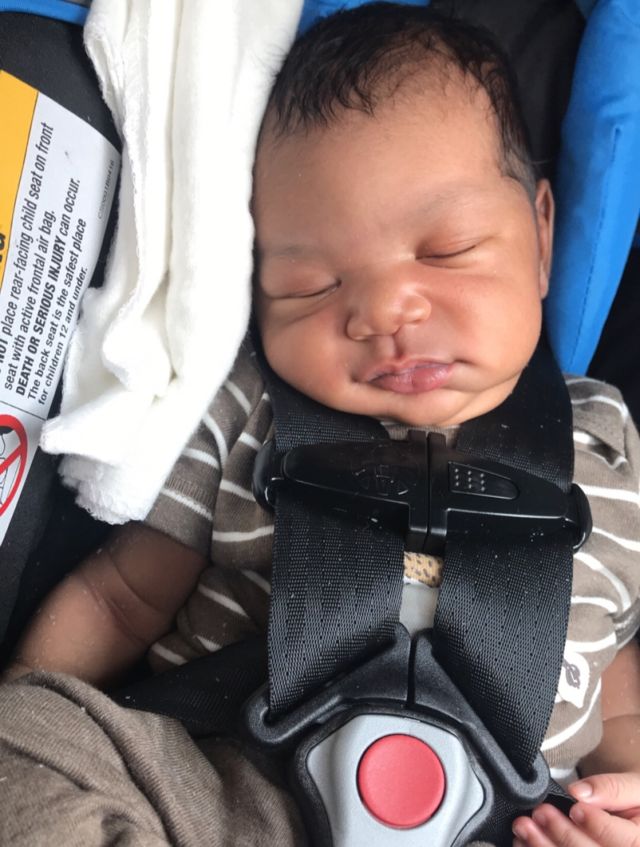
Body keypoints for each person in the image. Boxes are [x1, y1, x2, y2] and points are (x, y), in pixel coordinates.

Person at [2, 5, 640, 846]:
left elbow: (615, 684)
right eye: (310, 286)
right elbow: (120, 600)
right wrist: (26, 699)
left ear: (542, 235)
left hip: (512, 819)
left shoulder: (605, 443)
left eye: (445, 250)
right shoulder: (245, 413)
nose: (383, 312)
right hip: (228, 801)